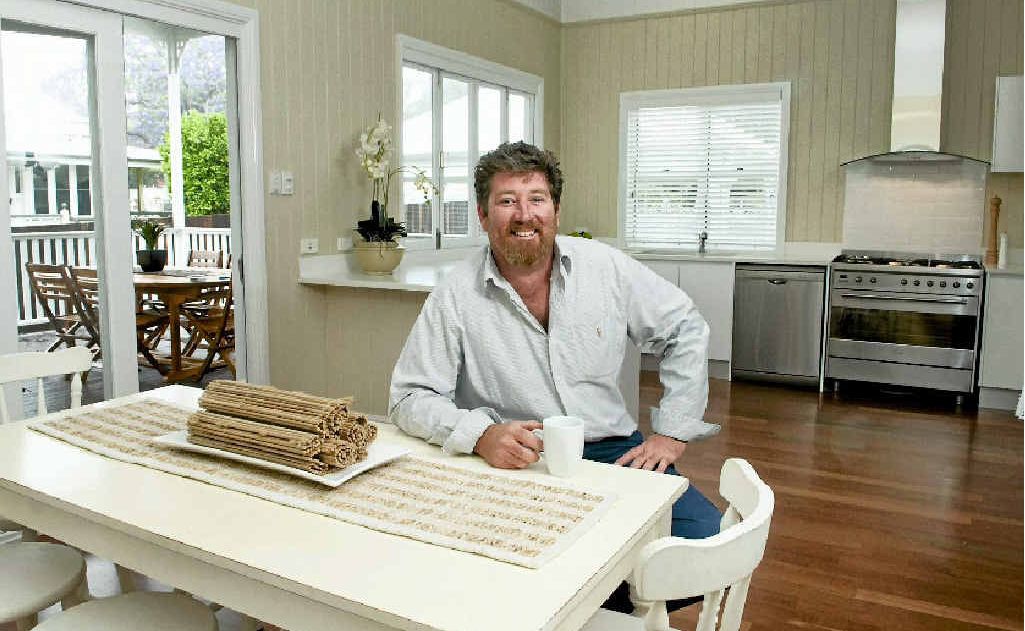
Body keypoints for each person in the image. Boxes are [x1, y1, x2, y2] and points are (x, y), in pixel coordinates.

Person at [389, 141, 721, 612]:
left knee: (706, 545)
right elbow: (409, 397)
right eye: (507, 201)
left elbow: (685, 328)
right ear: (484, 217)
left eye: (536, 198)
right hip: (516, 462)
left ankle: (574, 612)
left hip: (614, 452)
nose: (524, 214)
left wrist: (672, 433)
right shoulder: (454, 295)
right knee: (489, 568)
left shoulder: (603, 266)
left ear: (556, 210)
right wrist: (481, 434)